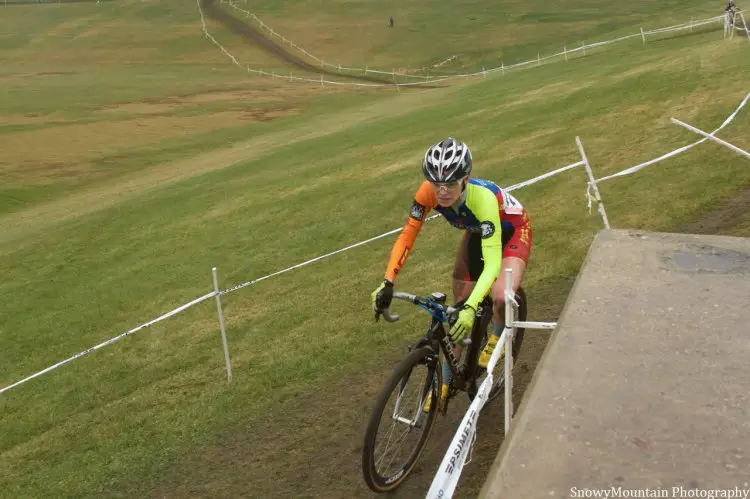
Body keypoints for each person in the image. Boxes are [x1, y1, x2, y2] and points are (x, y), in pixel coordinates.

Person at [371, 137, 533, 410]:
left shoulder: (482, 199)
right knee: (457, 308)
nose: (442, 192)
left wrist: (473, 307)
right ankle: (446, 381)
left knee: (501, 295)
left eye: (450, 184)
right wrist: (388, 281)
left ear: (466, 178)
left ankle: (499, 334)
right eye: (436, 184)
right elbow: (408, 236)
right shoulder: (427, 193)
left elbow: (493, 262)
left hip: (512, 231)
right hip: (476, 233)